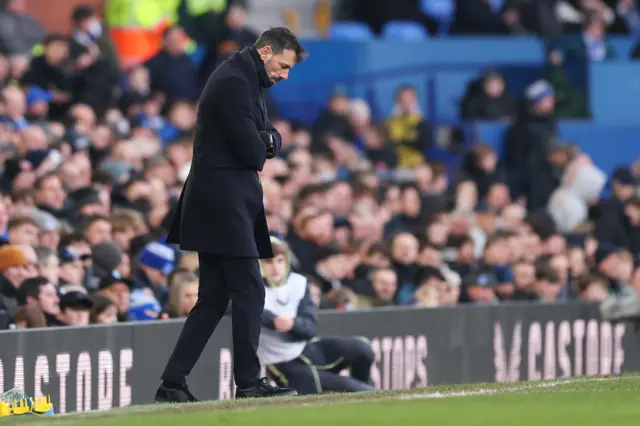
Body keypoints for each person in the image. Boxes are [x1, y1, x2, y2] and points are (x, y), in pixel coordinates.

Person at [156, 27, 307, 403]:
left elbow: (269, 136)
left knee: (213, 298)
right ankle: (249, 383)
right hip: (222, 203)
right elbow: (254, 151)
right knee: (250, 289)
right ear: (267, 51)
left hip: (223, 200)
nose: (284, 75)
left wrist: (267, 139)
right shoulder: (234, 81)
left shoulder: (245, 77)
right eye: (283, 66)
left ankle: (172, 383)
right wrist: (267, 141)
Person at [259, 236, 376, 395]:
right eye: (268, 262)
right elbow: (236, 306)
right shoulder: (251, 287)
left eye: (280, 261)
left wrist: (293, 324)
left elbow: (310, 327)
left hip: (307, 348)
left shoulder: (298, 282)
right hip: (281, 361)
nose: (275, 268)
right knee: (349, 388)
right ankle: (361, 393)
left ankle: (363, 392)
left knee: (362, 348)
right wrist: (273, 320)